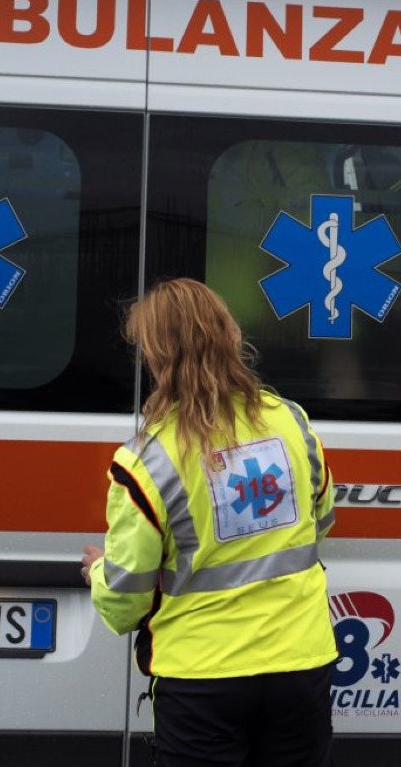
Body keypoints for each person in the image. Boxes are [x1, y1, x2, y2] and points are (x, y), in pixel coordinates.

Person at [81, 278, 338, 767]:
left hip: (202, 677)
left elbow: (126, 598)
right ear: (229, 336)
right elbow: (321, 517)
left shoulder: (147, 461)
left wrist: (97, 572)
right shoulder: (290, 422)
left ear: (157, 357)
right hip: (300, 664)